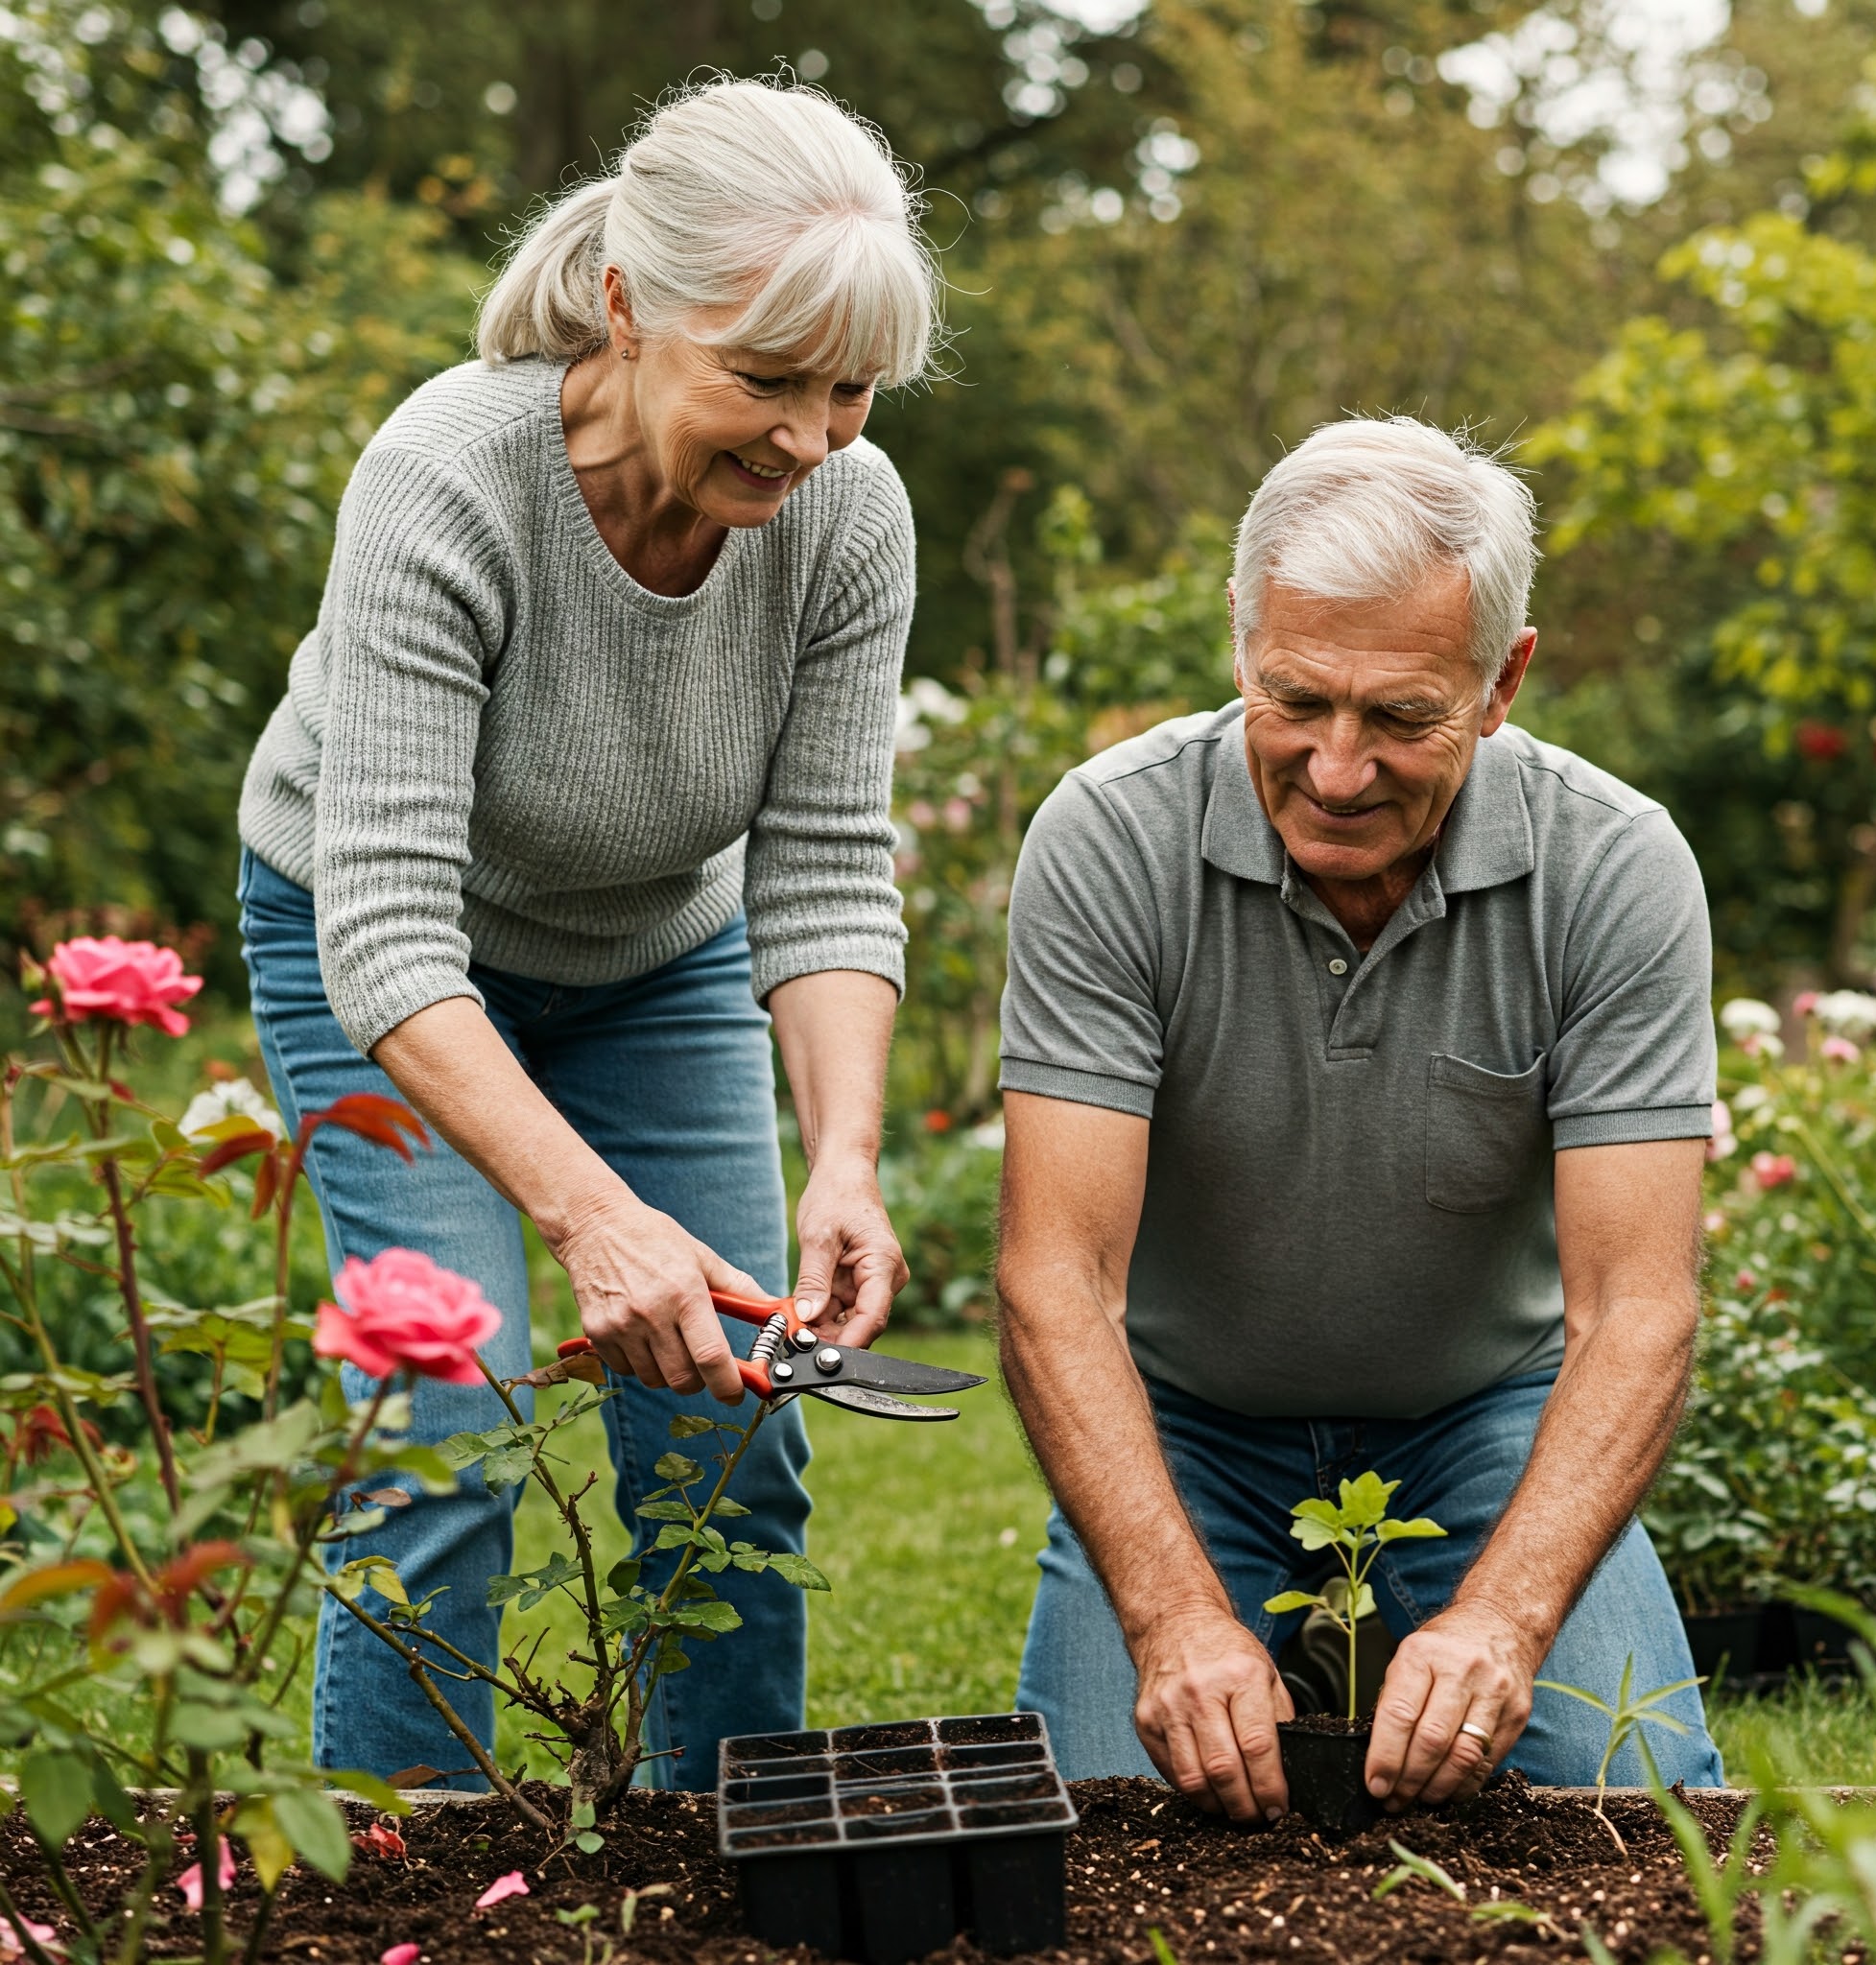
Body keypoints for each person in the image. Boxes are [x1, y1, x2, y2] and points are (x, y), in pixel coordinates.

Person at [236, 77, 938, 1790]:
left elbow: (830, 865)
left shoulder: (850, 518)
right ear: (626, 308)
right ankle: (404, 1874)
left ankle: (730, 1852)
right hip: (388, 962)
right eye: (764, 380)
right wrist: (596, 1223)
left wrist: (844, 1156)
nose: (810, 438)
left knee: (734, 1425)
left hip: (655, 962)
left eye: (848, 391)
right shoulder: (446, 478)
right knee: (452, 1418)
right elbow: (390, 926)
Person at [995, 416, 1725, 1824]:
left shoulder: (1615, 866)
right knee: (1105, 1827)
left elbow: (1639, 1308)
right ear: (1240, 637)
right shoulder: (1112, 837)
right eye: (1295, 701)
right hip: (1187, 1428)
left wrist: (1505, 1619)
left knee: (1632, 1815)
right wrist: (1168, 1619)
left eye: (1401, 717)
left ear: (1502, 680)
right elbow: (1054, 1279)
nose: (1337, 771)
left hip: (1487, 1424)